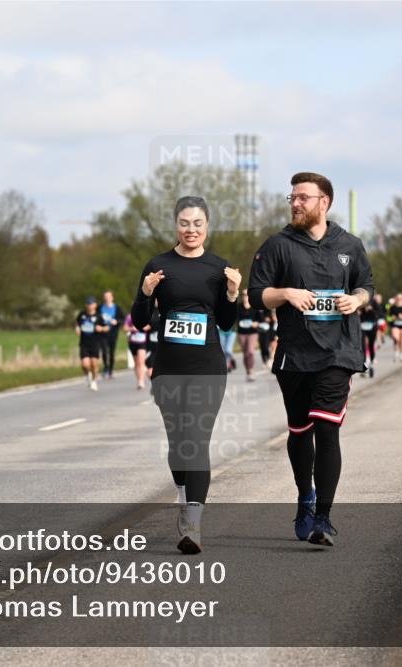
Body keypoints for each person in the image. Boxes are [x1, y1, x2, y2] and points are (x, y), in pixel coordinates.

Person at [248, 172, 374, 547]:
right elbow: (257, 295)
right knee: (300, 431)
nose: (296, 203)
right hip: (294, 353)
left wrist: (357, 300)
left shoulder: (349, 245)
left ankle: (323, 517)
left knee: (327, 428)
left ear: (325, 202)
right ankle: (306, 495)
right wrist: (284, 293)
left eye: (303, 197)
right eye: (292, 198)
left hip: (338, 352)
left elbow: (366, 285)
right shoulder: (278, 245)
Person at [131, 196, 240, 555]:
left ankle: (193, 523)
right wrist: (147, 293)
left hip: (207, 369)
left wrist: (233, 293)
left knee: (196, 441)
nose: (190, 230)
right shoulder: (159, 265)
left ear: (207, 225)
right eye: (184, 223)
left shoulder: (219, 268)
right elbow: (142, 319)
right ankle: (183, 496)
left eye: (197, 223)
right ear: (175, 225)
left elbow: (226, 322)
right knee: (179, 443)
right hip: (168, 369)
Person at [76, 296, 109, 391]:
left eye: (91, 304)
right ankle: (87, 374)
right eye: (88, 304)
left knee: (94, 364)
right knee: (85, 364)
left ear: (95, 305)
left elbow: (106, 328)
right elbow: (78, 324)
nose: (89, 306)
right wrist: (77, 329)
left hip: (95, 343)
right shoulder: (82, 314)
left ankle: (94, 381)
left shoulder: (99, 316)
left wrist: (101, 328)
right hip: (84, 343)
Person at [99, 291, 125, 379]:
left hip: (113, 333)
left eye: (108, 296)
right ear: (104, 298)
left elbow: (123, 319)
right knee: (104, 351)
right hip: (103, 333)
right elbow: (96, 318)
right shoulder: (100, 308)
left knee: (111, 352)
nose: (107, 298)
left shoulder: (117, 308)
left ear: (112, 298)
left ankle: (110, 370)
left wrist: (117, 321)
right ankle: (105, 368)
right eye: (105, 297)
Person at [235, 291, 260, 382]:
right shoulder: (238, 307)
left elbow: (259, 320)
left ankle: (251, 370)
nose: (245, 296)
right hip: (242, 333)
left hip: (253, 332)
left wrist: (256, 323)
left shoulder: (254, 307)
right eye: (243, 295)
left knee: (250, 351)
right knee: (245, 353)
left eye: (247, 295)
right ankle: (248, 370)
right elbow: (235, 319)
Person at [124, 312, 149, 390]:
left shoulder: (145, 315)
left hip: (143, 342)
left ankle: (141, 382)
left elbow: (148, 327)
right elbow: (125, 328)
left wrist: (139, 327)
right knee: (136, 363)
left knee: (141, 361)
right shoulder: (129, 317)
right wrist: (131, 328)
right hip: (133, 342)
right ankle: (139, 379)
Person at [358, 301, 379, 378]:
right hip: (362, 326)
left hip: (372, 327)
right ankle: (364, 364)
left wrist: (371, 310)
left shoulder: (374, 302)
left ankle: (372, 361)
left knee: (371, 345)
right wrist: (359, 311)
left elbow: (379, 314)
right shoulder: (360, 300)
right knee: (362, 345)